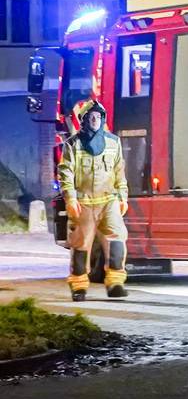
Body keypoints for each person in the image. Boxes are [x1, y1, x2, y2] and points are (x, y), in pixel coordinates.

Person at [57, 99, 129, 301]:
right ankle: (79, 286)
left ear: (103, 119)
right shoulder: (73, 144)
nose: (95, 120)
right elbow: (66, 173)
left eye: (99, 116)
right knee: (81, 244)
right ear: (84, 120)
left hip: (109, 202)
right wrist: (70, 199)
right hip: (84, 204)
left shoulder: (114, 142)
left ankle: (115, 282)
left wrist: (123, 196)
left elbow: (119, 171)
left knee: (117, 239)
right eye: (91, 117)